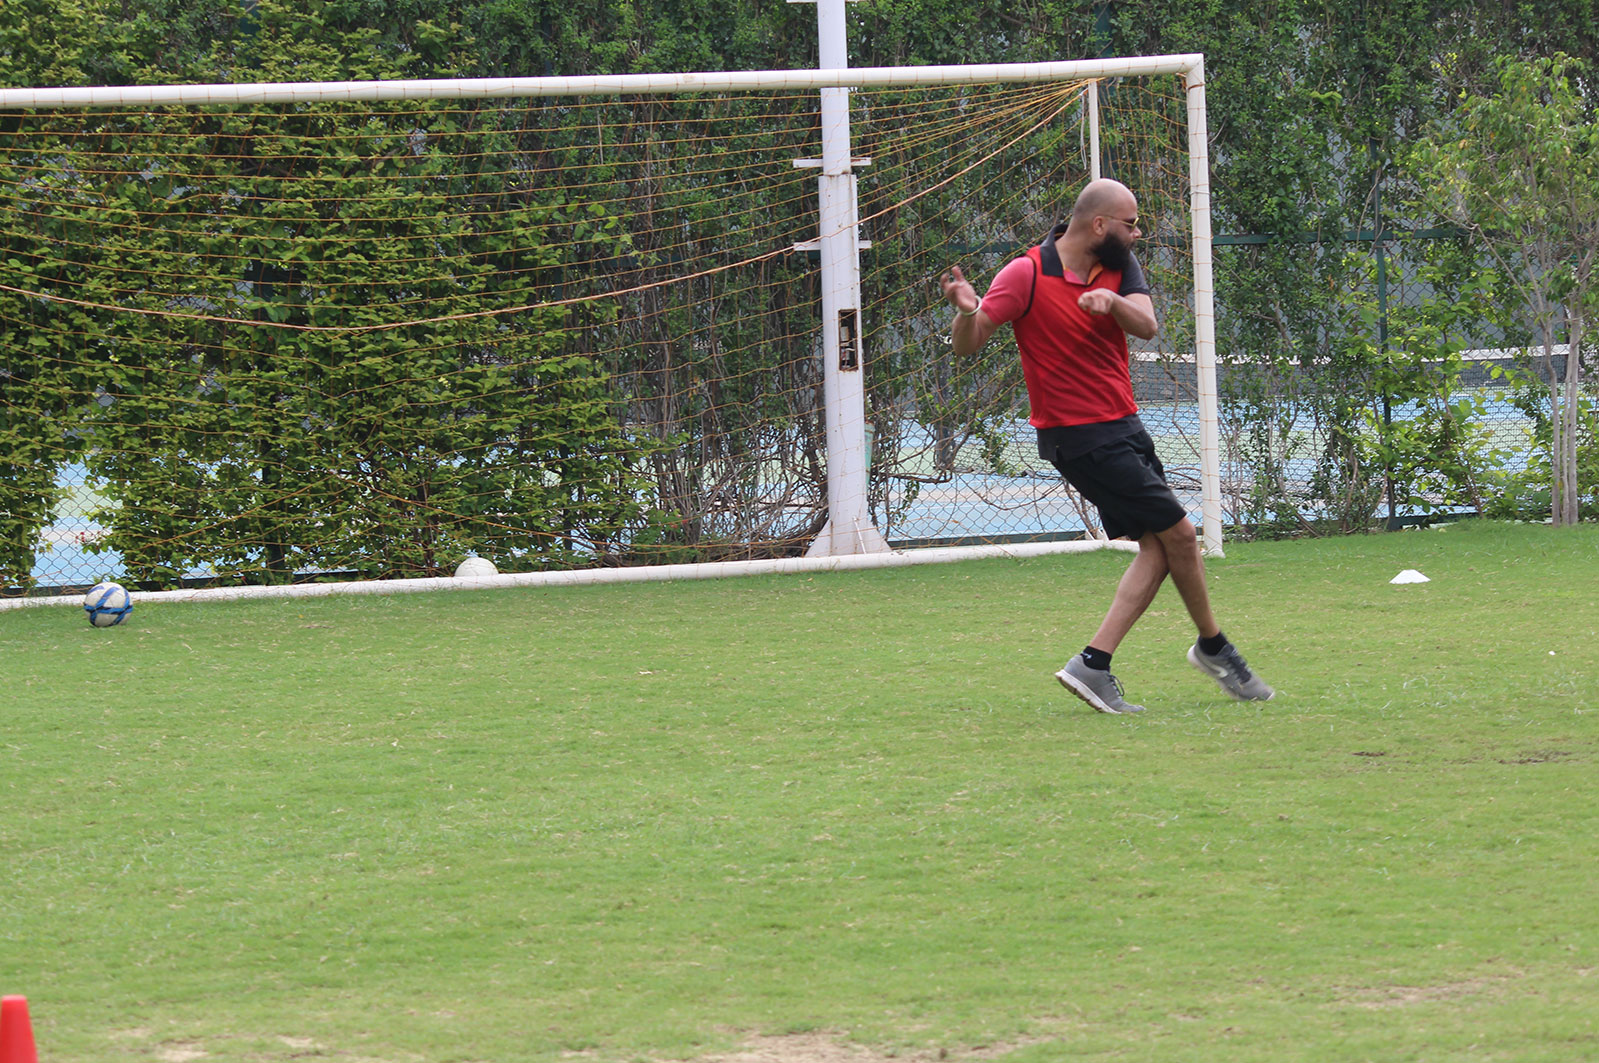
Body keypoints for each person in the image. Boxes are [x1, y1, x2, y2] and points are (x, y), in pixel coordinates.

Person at [939, 178, 1273, 714]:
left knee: (1161, 546)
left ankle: (1095, 664)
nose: (1138, 233)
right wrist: (964, 311)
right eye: (1131, 223)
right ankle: (1214, 648)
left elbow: (1146, 325)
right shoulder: (1026, 273)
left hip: (1124, 426)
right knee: (1181, 535)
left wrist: (1112, 302)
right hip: (1078, 436)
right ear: (1099, 224)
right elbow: (969, 344)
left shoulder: (1119, 265)